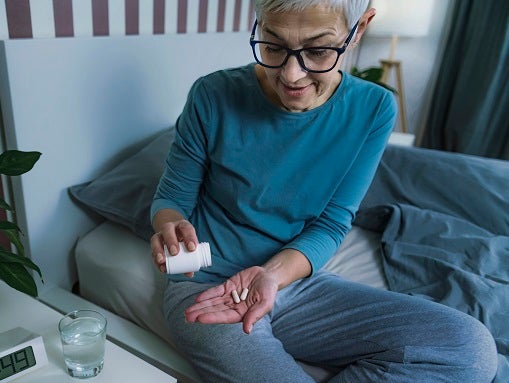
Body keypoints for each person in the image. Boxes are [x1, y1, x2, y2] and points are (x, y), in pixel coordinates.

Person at [149, 1, 497, 382]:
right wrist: (170, 225)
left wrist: (272, 276)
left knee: (471, 347)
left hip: (294, 282)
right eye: (273, 45)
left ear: (359, 28)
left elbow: (332, 222)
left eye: (317, 51)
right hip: (209, 288)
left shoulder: (374, 107)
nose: (291, 74)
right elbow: (173, 199)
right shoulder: (212, 95)